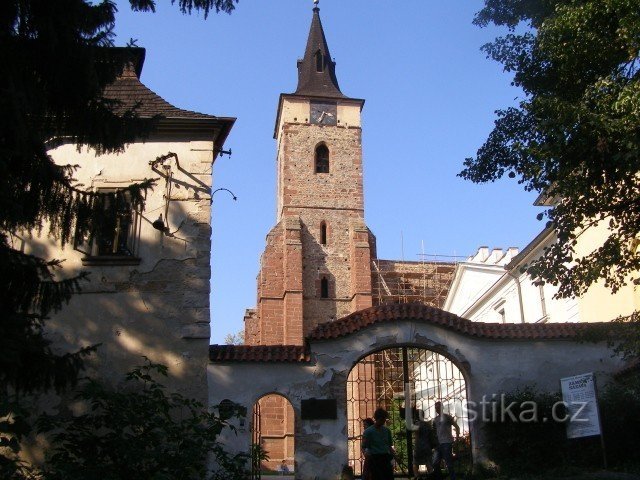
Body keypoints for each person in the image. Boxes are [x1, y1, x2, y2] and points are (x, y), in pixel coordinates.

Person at [362, 408, 394, 480]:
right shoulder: (368, 432)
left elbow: (389, 446)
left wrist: (394, 456)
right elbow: (363, 447)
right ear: (377, 418)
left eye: (384, 419)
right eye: (382, 419)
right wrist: (365, 454)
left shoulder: (387, 431)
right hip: (374, 459)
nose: (383, 421)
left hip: (386, 458)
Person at [432, 401, 460, 480]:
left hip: (447, 442)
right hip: (439, 444)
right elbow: (435, 431)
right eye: (436, 407)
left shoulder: (447, 417)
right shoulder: (436, 419)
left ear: (442, 407)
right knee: (435, 463)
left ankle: (453, 478)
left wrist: (456, 440)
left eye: (438, 407)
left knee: (449, 463)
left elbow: (457, 427)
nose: (437, 409)